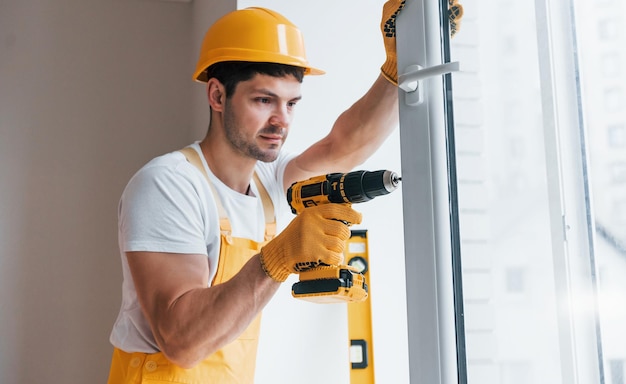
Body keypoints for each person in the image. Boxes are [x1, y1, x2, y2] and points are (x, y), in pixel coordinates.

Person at [107, 1, 444, 382]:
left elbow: (342, 146)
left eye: (292, 103)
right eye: (264, 100)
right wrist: (279, 258)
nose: (281, 120)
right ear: (217, 96)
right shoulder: (169, 185)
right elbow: (183, 341)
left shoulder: (269, 180)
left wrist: (397, 71)